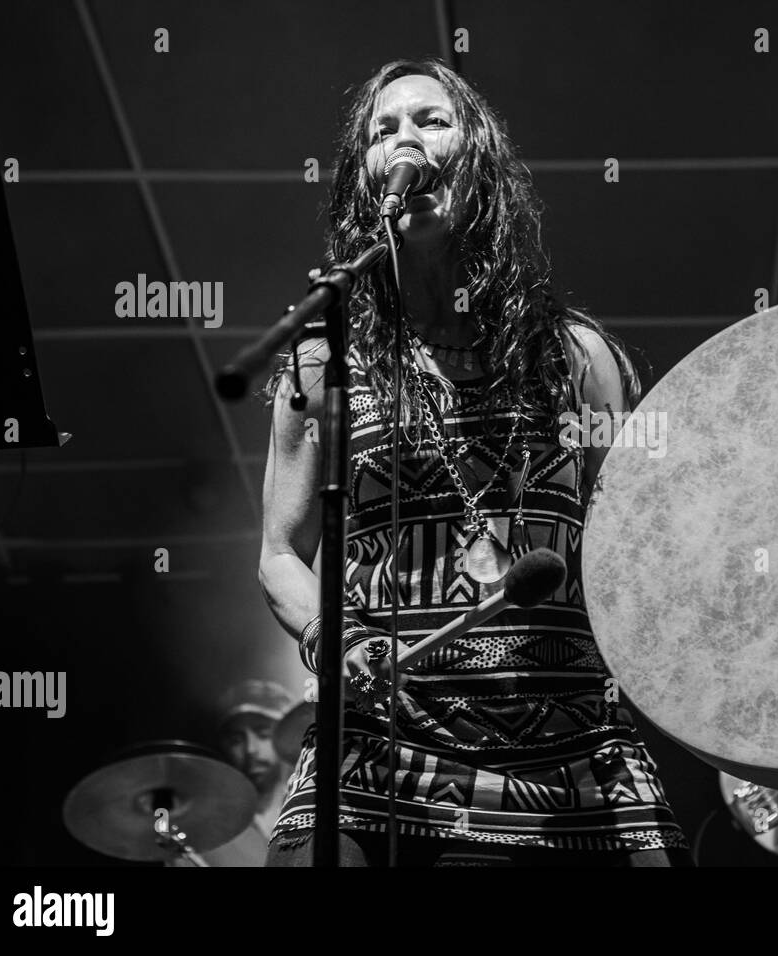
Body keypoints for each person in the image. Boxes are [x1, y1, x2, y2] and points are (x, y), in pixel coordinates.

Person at [257, 57, 687, 866]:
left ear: (479, 159)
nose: (406, 141)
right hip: (380, 760)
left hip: (572, 760)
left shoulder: (577, 359)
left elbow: (638, 549)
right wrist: (332, 636)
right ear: (366, 184)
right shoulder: (324, 368)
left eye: (431, 121)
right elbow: (281, 553)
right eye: (384, 131)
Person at [168, 679, 293, 867]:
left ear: (289, 736)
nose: (251, 749)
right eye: (236, 740)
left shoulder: (315, 809)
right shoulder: (204, 832)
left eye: (263, 734)